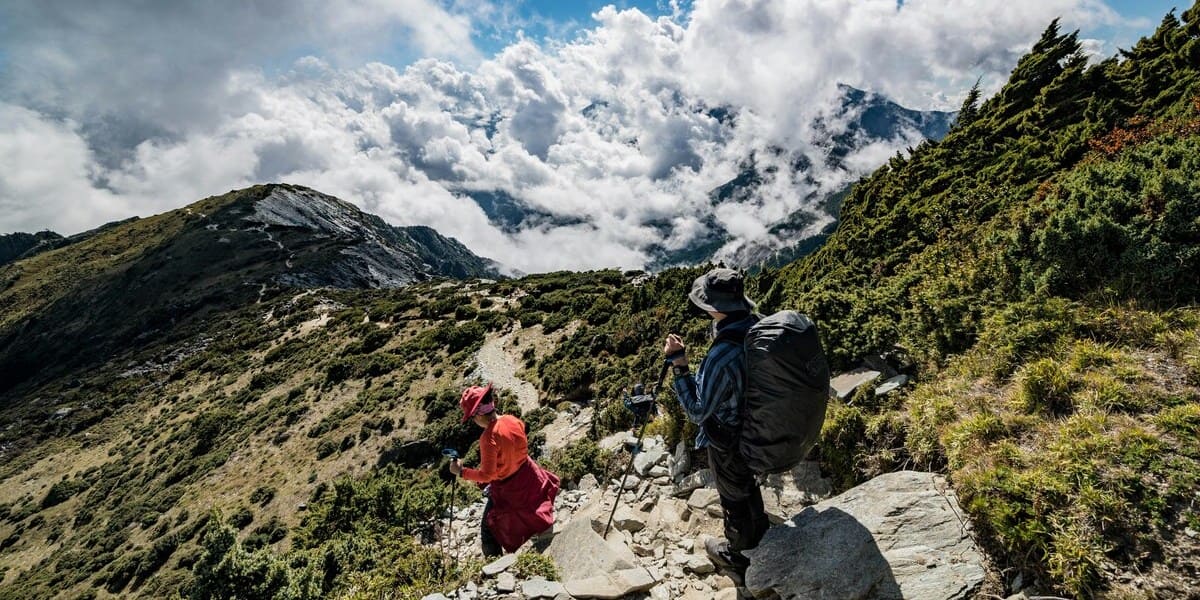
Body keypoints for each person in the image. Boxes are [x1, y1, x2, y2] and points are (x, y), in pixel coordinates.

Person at [664, 267, 767, 577]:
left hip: (728, 438)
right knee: (748, 485)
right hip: (756, 426)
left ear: (714, 307)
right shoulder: (757, 324)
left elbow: (698, 411)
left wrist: (680, 364)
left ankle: (738, 555)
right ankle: (761, 533)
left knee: (733, 496)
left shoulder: (722, 355)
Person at [449, 383, 560, 557]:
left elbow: (488, 475)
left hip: (509, 488)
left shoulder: (488, 438)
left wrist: (461, 472)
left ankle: (495, 566)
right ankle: (545, 538)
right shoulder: (512, 420)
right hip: (528, 474)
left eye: (471, 417)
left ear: (478, 415)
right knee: (534, 508)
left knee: (489, 529)